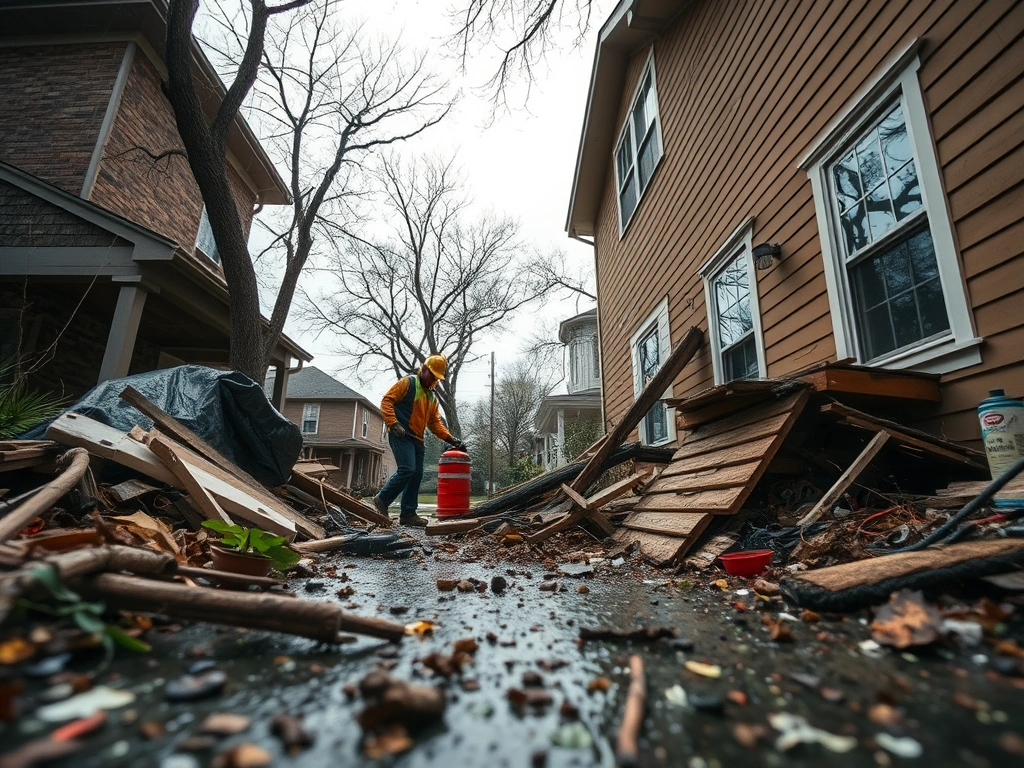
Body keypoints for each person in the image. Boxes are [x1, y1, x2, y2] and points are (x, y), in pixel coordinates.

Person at [374, 354, 467, 526]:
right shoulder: (408, 383)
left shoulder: (432, 397)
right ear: (424, 369)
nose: (433, 380)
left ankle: (408, 514)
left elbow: (435, 423)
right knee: (407, 469)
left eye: (436, 377)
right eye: (431, 375)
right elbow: (387, 401)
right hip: (401, 434)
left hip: (417, 439)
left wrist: (451, 439)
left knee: (416, 475)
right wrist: (393, 424)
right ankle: (382, 499)